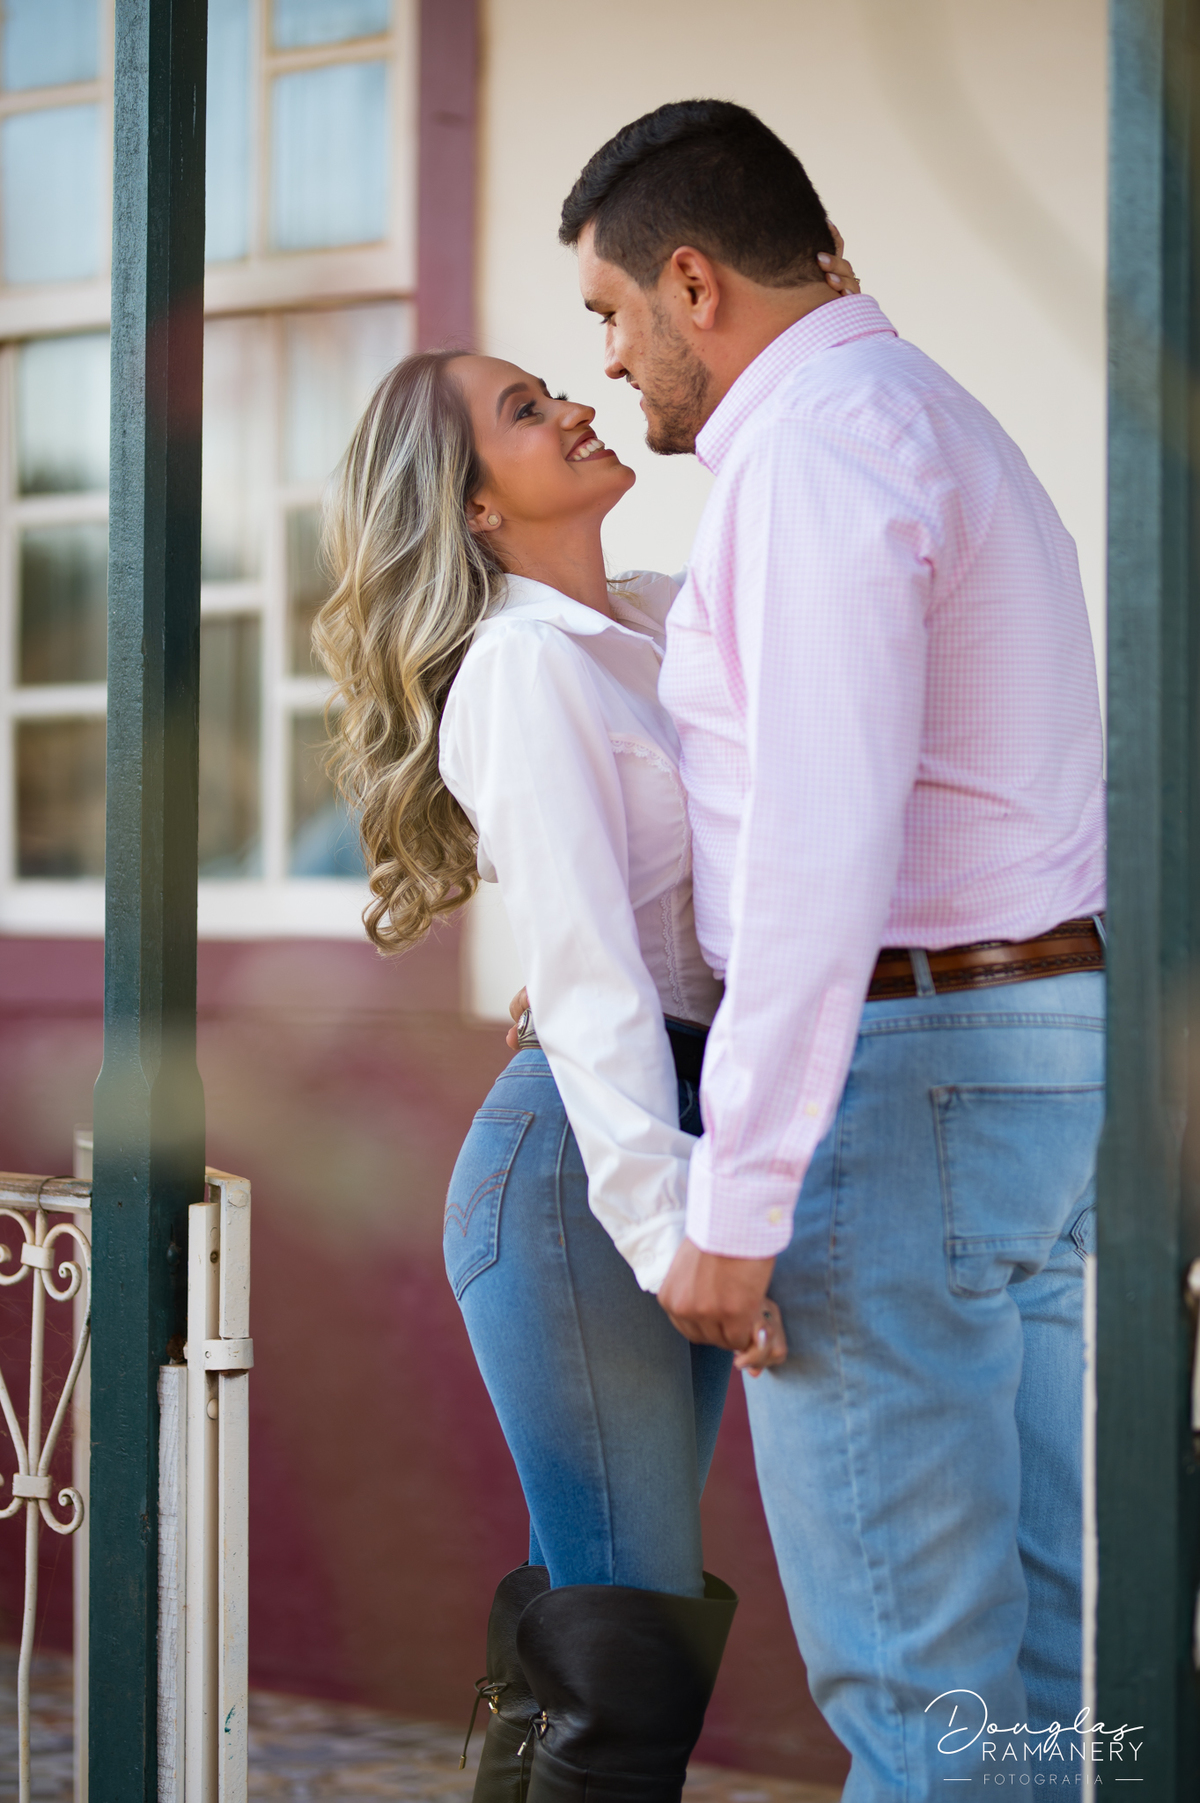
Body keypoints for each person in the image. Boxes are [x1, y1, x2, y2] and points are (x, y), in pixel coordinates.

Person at [556, 101, 1106, 1803]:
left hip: (905, 1079)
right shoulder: (930, 413)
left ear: (693, 282)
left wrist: (737, 1202)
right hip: (1036, 1056)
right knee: (1044, 1671)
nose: (609, 359)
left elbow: (816, 846)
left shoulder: (807, 453)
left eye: (610, 311)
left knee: (923, 1696)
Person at [313, 243, 857, 1803]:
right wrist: (672, 1229)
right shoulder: (521, 671)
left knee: (611, 1629)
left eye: (554, 386)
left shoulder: (658, 626)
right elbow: (600, 985)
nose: (571, 408)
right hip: (583, 1173)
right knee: (629, 1655)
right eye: (523, 411)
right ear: (477, 511)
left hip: (670, 1131)